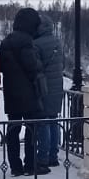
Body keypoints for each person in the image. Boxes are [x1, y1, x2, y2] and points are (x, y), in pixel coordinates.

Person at [0, 8, 47, 176]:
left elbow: (1, 66)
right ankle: (30, 165)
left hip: (11, 93)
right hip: (29, 94)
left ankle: (15, 166)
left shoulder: (5, 42)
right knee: (31, 129)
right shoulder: (26, 41)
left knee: (13, 129)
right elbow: (32, 66)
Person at [33, 13, 66, 168]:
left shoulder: (36, 44)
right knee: (53, 121)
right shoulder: (57, 42)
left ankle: (43, 157)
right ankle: (54, 156)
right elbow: (63, 65)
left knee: (43, 123)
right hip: (57, 87)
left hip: (43, 87)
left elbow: (35, 68)